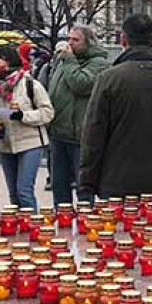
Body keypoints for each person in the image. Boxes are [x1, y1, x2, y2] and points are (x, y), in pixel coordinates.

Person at [80, 13, 152, 197]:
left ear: (123, 39)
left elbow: (93, 133)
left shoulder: (109, 79)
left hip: (116, 181)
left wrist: (88, 181)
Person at [47, 25, 109, 206]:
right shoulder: (64, 61)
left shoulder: (100, 64)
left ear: (88, 43)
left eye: (76, 40)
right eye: (69, 39)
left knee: (83, 188)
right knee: (59, 188)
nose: (70, 43)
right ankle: (62, 224)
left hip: (80, 136)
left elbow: (81, 84)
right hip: (58, 133)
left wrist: (69, 60)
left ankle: (85, 224)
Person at [0, 46, 53, 211]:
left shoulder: (30, 84)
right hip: (6, 145)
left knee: (24, 191)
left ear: (9, 62)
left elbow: (47, 113)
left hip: (30, 143)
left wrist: (23, 116)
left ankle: (34, 227)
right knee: (14, 195)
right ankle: (18, 228)